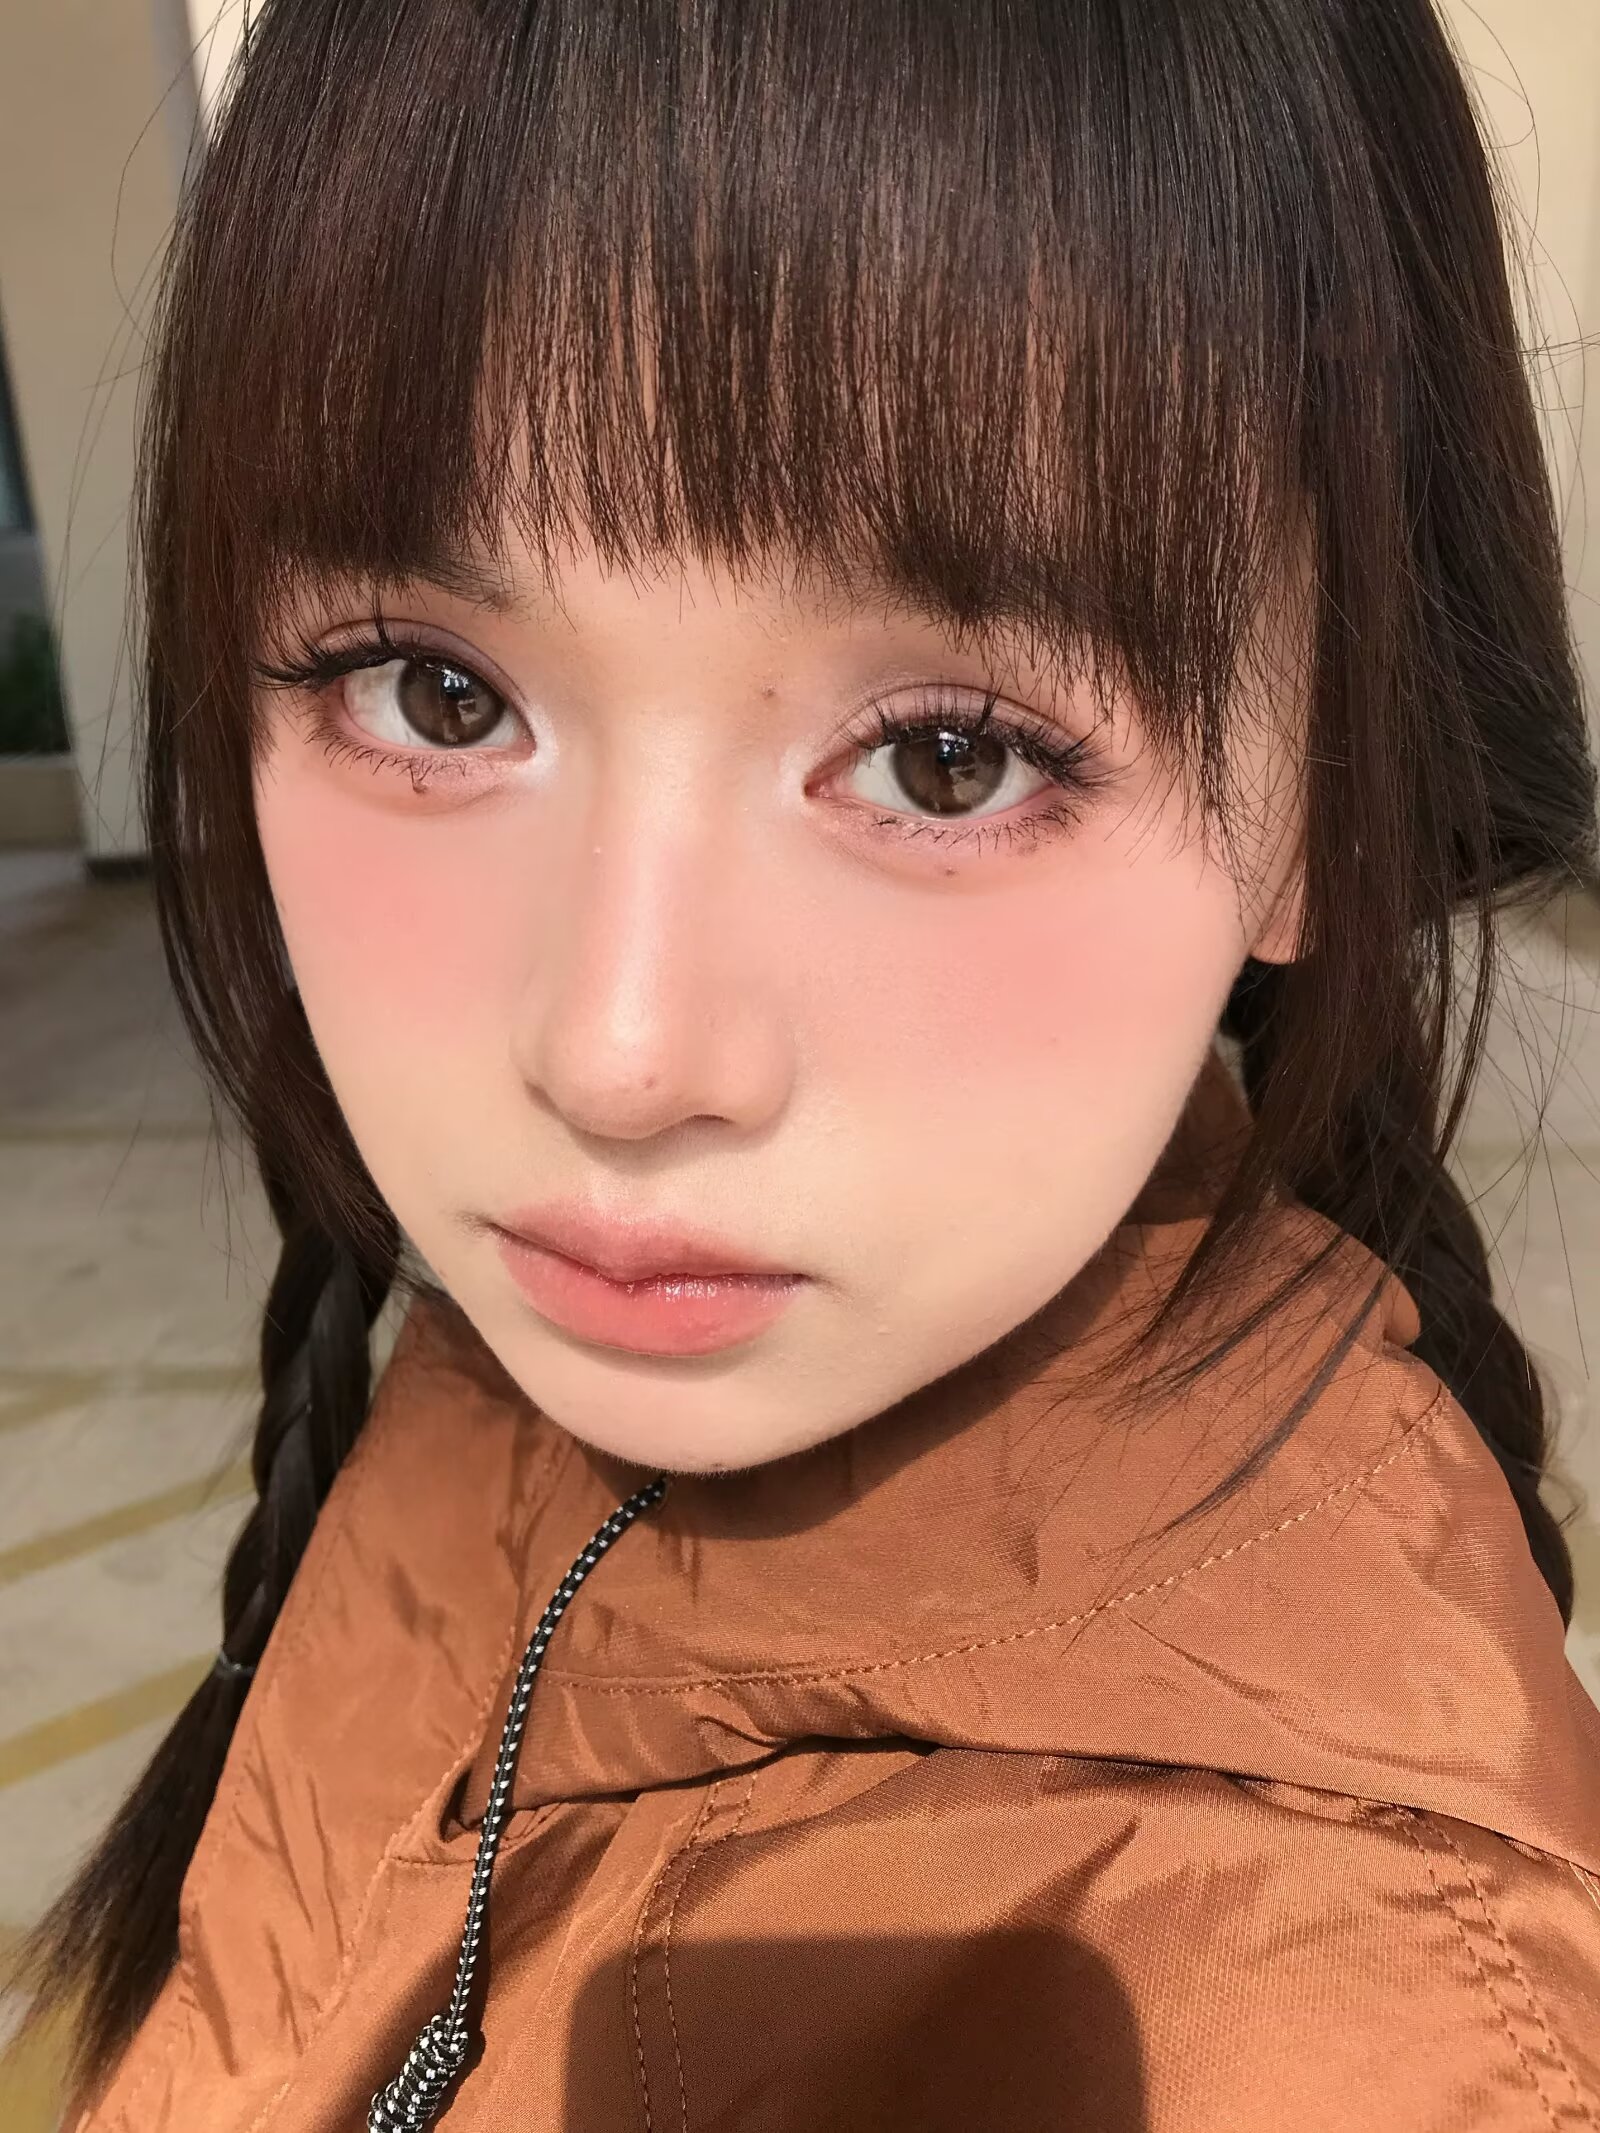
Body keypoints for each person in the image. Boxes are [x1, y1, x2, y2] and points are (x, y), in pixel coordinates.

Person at [10, 0, 1600, 2125]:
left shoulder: (1341, 2031)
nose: (617, 1053)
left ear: (1329, 787)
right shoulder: (496, 1403)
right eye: (434, 691)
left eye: (947, 757)